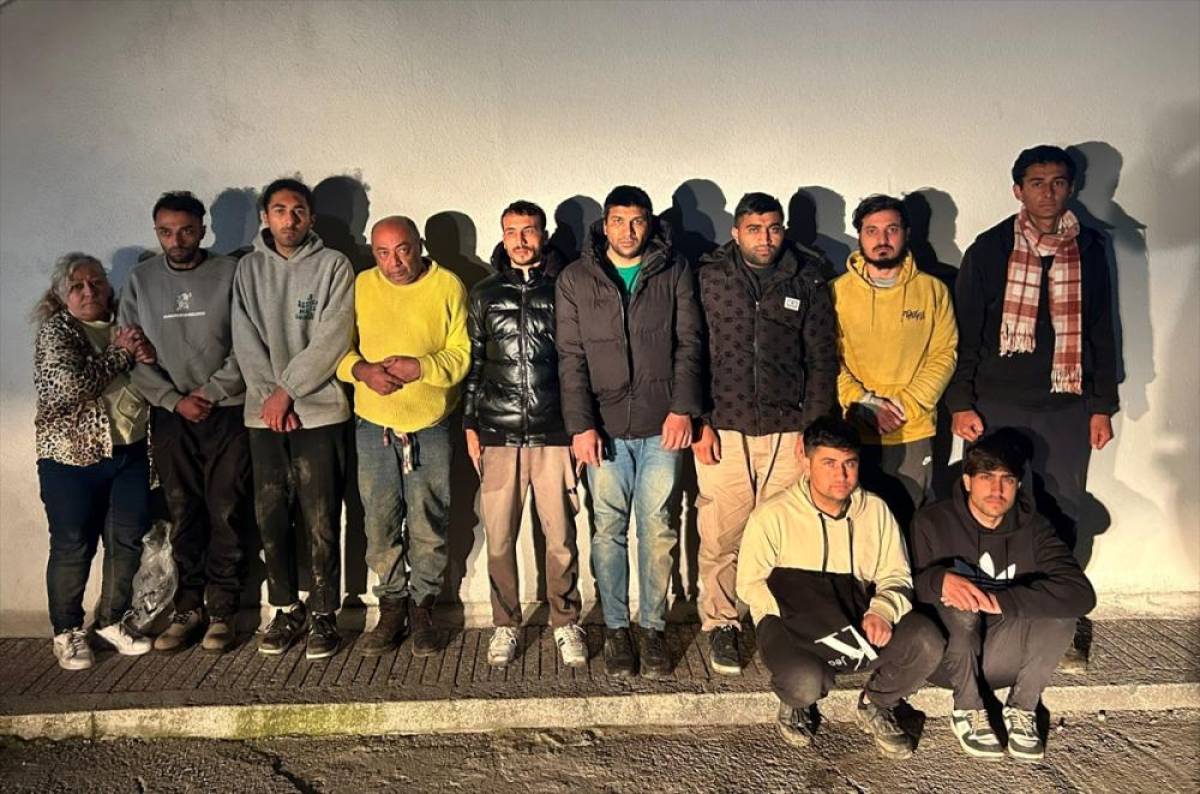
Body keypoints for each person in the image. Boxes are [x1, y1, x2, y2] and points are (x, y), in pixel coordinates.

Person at [947, 145, 1118, 669]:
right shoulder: (990, 248)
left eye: (1058, 182)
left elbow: (1100, 330)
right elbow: (965, 332)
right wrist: (960, 402)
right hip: (997, 403)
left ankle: (1059, 615)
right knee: (992, 505)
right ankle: (986, 613)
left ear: (1072, 188)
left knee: (1063, 508)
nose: (1048, 192)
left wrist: (1101, 405)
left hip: (1066, 404)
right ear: (1018, 190)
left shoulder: (1090, 248)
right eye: (1037, 182)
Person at [556, 185, 703, 678]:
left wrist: (683, 409)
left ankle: (653, 629)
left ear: (650, 223)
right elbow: (571, 358)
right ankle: (618, 629)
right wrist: (581, 425)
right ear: (604, 225)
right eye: (618, 221)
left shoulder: (673, 269)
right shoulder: (576, 278)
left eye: (637, 221)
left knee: (658, 528)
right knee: (607, 530)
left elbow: (689, 342)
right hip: (604, 428)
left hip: (664, 427)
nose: (628, 231)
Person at [737, 417, 944, 759]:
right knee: (803, 681)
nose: (841, 475)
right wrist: (801, 614)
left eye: (849, 464)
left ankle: (878, 702)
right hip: (793, 624)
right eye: (829, 463)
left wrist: (883, 610)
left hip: (855, 617)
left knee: (926, 639)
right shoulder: (772, 515)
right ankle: (796, 702)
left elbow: (896, 574)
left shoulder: (875, 510)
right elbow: (748, 584)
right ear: (806, 462)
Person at [693, 192, 837, 675]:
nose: (765, 238)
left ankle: (774, 622)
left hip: (788, 429)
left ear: (784, 230)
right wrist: (698, 420)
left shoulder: (807, 277)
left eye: (773, 228)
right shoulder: (710, 276)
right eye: (754, 229)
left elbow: (821, 358)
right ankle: (722, 623)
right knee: (722, 532)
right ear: (736, 232)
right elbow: (691, 350)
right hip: (724, 426)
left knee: (782, 533)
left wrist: (813, 430)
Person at [119, 191, 251, 652]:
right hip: (171, 415)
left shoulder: (231, 272)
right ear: (157, 232)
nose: (176, 240)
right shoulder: (140, 280)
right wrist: (174, 401)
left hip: (227, 410)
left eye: (186, 231)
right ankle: (188, 607)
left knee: (228, 508)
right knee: (183, 512)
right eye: (166, 232)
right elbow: (129, 352)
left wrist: (209, 393)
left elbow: (248, 343)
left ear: (203, 230)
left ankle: (224, 610)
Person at [911, 430, 1095, 762]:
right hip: (946, 659)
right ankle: (967, 708)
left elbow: (1081, 595)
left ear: (1018, 485)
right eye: (986, 478)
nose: (996, 490)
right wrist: (939, 580)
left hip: (1003, 653)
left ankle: (1023, 707)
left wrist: (1002, 601)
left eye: (1006, 480)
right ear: (967, 481)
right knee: (961, 605)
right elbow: (905, 586)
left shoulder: (1035, 528)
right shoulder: (932, 521)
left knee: (1061, 612)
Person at [231, 178, 354, 660]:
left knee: (321, 517)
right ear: (266, 217)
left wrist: (288, 392)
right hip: (264, 415)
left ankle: (324, 612)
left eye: (298, 210)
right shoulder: (248, 269)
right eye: (279, 210)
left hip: (319, 413)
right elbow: (244, 338)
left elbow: (333, 337)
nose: (289, 219)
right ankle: (285, 608)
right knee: (271, 516)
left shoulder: (334, 265)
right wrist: (271, 398)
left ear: (311, 217)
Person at [337, 215, 468, 658]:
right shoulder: (361, 285)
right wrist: (362, 371)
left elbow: (462, 354)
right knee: (379, 521)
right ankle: (391, 607)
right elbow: (339, 350)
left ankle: (423, 607)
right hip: (374, 423)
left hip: (430, 422)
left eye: (403, 250)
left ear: (420, 245)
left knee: (429, 520)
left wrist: (422, 367)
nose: (394, 263)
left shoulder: (447, 286)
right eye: (383, 252)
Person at [463, 201, 587, 668]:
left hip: (555, 434)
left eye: (529, 230)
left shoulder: (565, 290)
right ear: (502, 235)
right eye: (512, 231)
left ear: (543, 235)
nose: (520, 240)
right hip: (498, 435)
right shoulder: (484, 294)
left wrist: (580, 428)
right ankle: (506, 624)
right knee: (499, 539)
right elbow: (475, 363)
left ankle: (565, 621)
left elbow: (579, 363)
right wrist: (470, 424)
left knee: (561, 539)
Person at [32, 253, 157, 669]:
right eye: (77, 286)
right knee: (73, 544)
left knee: (126, 541)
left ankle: (111, 621)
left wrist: (141, 351)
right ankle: (67, 631)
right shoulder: (57, 331)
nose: (89, 292)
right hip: (71, 459)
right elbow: (72, 387)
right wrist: (122, 354)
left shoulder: (126, 322)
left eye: (96, 282)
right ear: (61, 295)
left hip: (130, 453)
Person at [832, 194, 958, 529]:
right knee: (854, 525)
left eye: (892, 229)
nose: (882, 239)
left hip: (913, 428)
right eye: (872, 231)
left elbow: (944, 354)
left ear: (907, 233)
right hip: (854, 428)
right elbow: (827, 358)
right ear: (859, 236)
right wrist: (866, 404)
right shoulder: (836, 293)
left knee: (909, 522)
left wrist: (903, 406)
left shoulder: (933, 291)